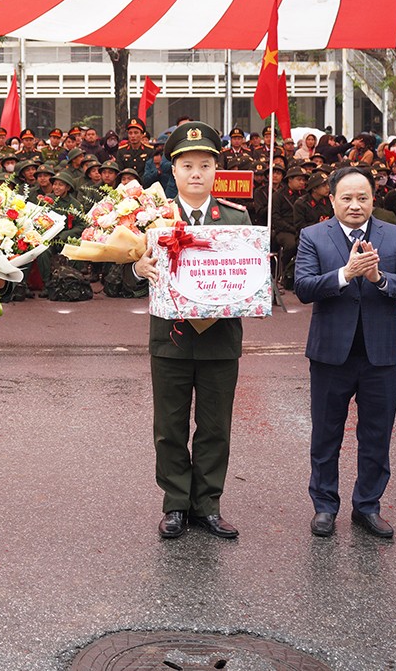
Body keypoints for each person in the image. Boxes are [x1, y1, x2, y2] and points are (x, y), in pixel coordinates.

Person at [132, 121, 250, 541]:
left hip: (220, 338)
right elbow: (132, 268)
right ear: (173, 170)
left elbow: (248, 275)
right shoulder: (152, 219)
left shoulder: (237, 218)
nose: (196, 173)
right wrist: (137, 266)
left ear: (216, 170)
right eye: (187, 165)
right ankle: (176, 504)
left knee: (216, 426)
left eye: (205, 164)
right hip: (171, 337)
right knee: (170, 425)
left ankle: (208, 505)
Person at [293, 167, 396, 540]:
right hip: (331, 354)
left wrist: (379, 279)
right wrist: (345, 274)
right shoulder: (313, 236)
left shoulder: (395, 236)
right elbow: (302, 287)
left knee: (377, 435)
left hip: (381, 354)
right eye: (346, 198)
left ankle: (367, 505)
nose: (355, 205)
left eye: (362, 197)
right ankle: (324, 506)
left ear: (373, 199)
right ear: (331, 199)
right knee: (326, 434)